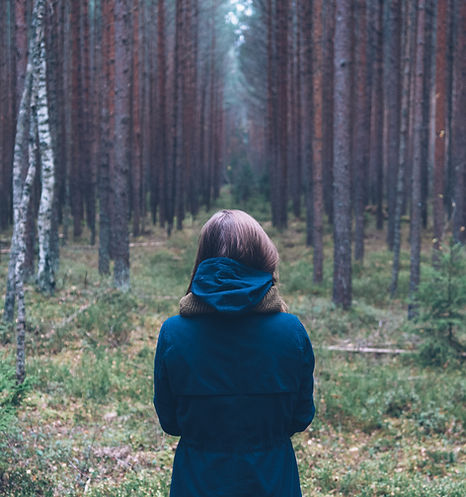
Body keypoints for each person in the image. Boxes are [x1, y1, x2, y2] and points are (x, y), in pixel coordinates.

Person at [153, 209, 315, 497]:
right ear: (262, 257)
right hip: (273, 481)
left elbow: (170, 423)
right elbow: (300, 418)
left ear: (202, 258)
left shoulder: (173, 333)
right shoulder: (291, 331)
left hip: (197, 483)